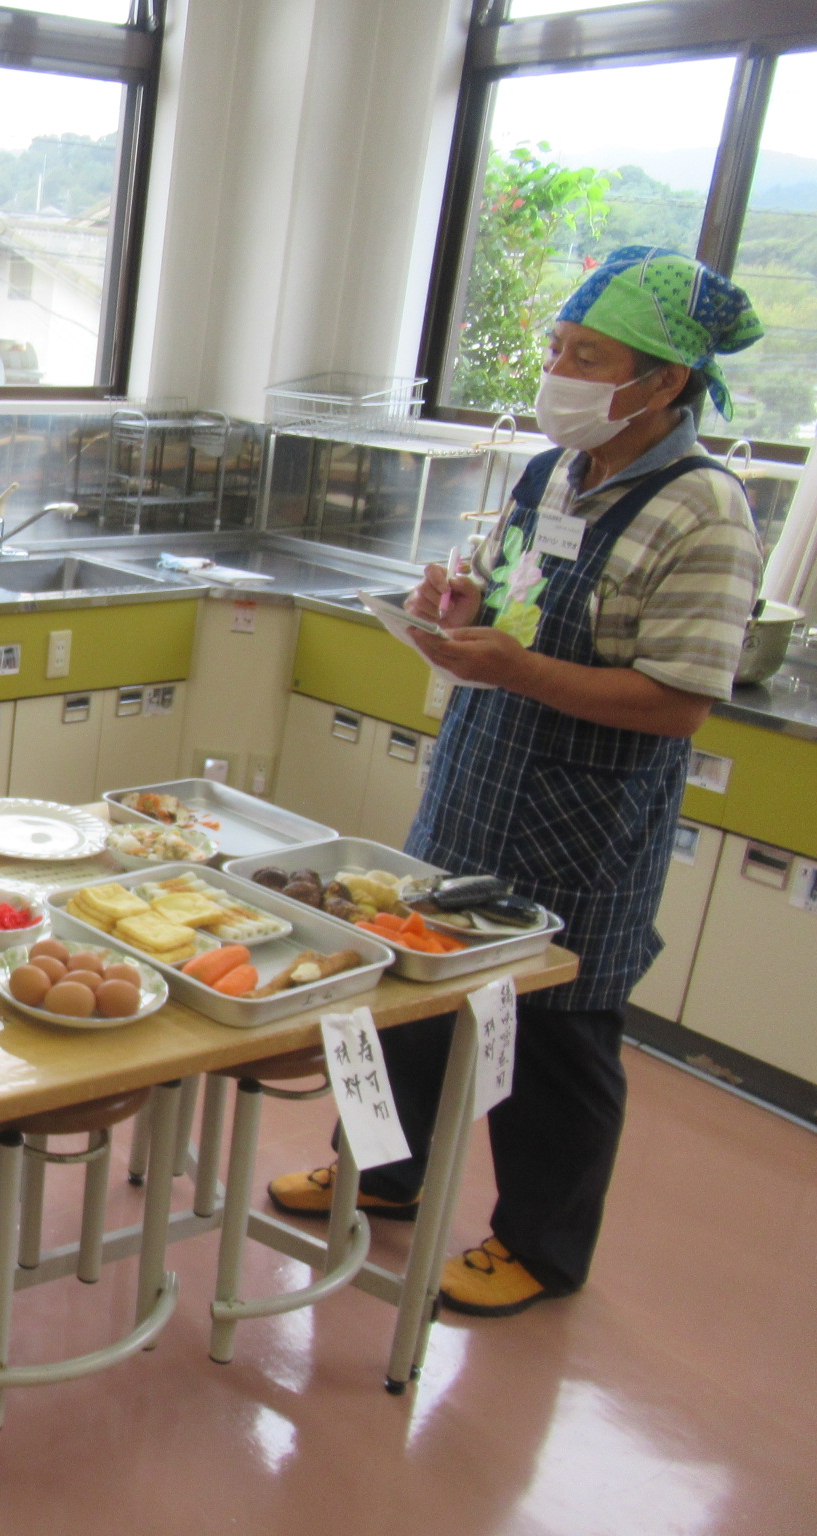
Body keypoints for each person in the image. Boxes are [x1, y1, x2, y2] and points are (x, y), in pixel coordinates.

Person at [271, 247, 765, 1317]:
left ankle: (537, 1244)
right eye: (554, 348)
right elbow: (505, 610)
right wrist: (455, 613)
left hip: (585, 821)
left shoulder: (703, 511)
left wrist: (521, 668)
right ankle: (384, 1172)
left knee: (557, 1034)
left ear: (662, 382)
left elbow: (680, 701)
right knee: (407, 984)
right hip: (479, 780)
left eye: (584, 355)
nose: (557, 371)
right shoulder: (552, 474)